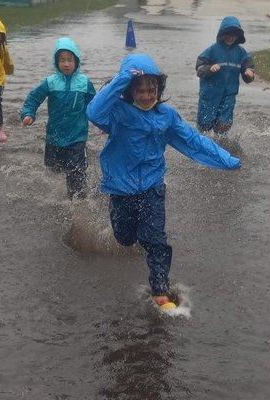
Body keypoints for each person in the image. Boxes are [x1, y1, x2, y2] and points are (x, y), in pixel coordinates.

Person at [86, 53, 241, 309]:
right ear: (129, 91)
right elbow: (93, 111)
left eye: (152, 89)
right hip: (120, 190)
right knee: (124, 238)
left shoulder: (166, 115)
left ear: (159, 89)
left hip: (152, 187)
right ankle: (136, 238)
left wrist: (226, 159)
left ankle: (160, 288)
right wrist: (123, 77)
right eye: (140, 91)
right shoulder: (117, 113)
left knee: (156, 239)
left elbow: (193, 140)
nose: (147, 95)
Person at [21, 37, 96, 200]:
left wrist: (105, 124)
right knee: (53, 170)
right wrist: (28, 114)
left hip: (77, 137)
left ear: (76, 61)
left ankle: (78, 205)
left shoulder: (84, 83)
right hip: (54, 137)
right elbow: (33, 98)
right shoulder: (50, 82)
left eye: (70, 60)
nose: (66, 64)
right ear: (56, 62)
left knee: (76, 174)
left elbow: (96, 106)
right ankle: (61, 195)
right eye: (62, 60)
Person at [196, 16, 255, 135]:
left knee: (224, 123)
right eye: (227, 34)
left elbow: (247, 65)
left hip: (229, 94)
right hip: (210, 94)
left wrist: (249, 72)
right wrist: (209, 69)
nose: (230, 37)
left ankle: (220, 142)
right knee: (205, 123)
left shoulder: (241, 52)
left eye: (234, 35)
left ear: (238, 36)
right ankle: (204, 142)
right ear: (221, 34)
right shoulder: (213, 50)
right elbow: (199, 68)